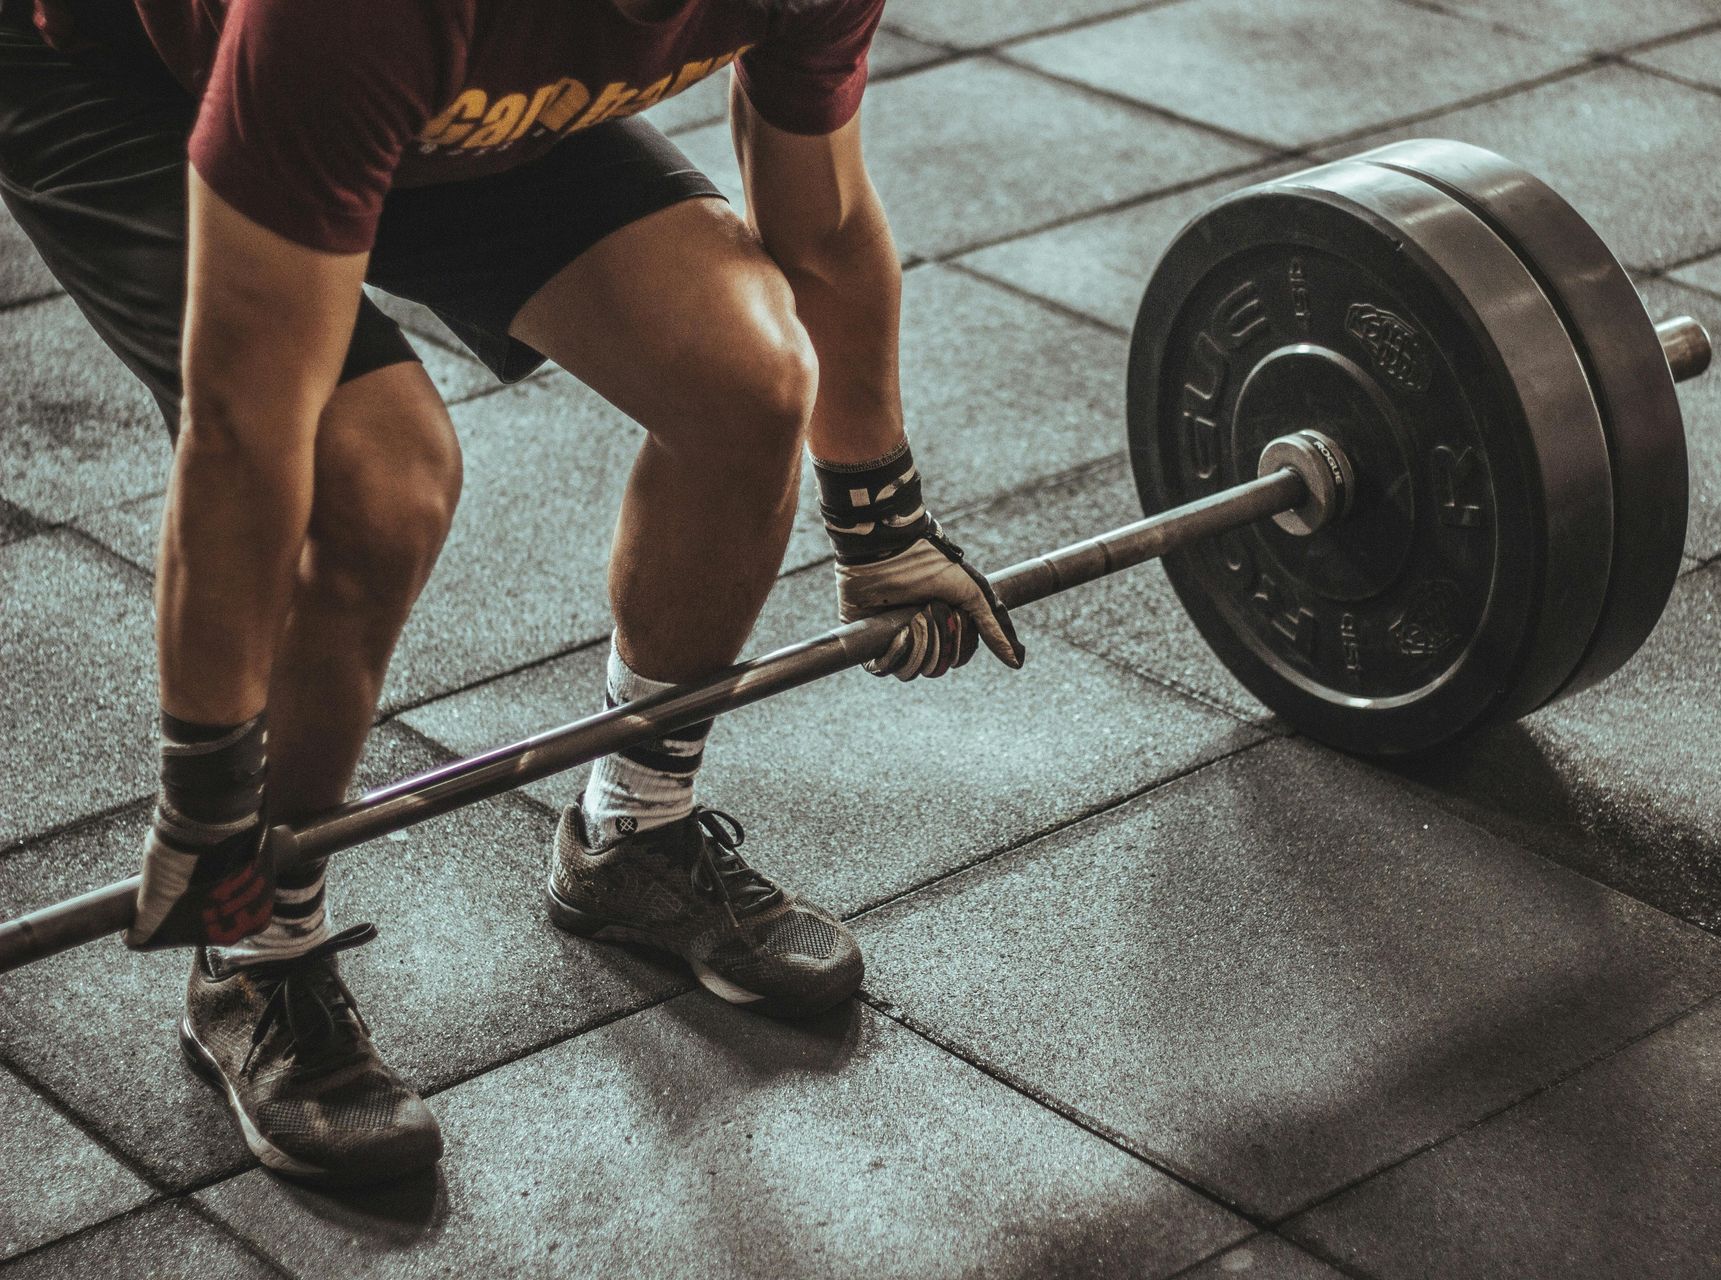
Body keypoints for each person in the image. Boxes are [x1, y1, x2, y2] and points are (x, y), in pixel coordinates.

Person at [0, 0, 1022, 1187]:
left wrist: (881, 524)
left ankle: (631, 832)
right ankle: (254, 953)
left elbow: (825, 224)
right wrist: (209, 791)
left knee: (749, 375)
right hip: (131, 75)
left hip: (445, 91)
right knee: (373, 478)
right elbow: (243, 429)